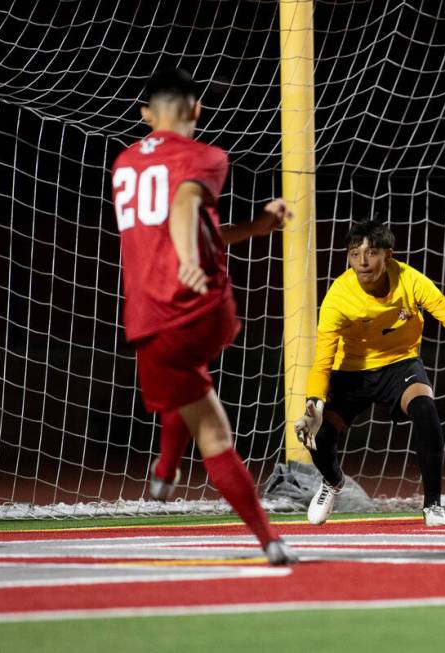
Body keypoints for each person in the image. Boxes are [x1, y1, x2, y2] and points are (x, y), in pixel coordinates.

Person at [111, 67, 297, 564]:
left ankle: (260, 534)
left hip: (150, 319)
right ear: (196, 109)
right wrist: (211, 252)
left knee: (207, 421)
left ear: (146, 114)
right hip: (206, 311)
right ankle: (169, 473)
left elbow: (184, 209)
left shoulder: (124, 163)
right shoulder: (206, 155)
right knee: (191, 384)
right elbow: (188, 203)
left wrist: (193, 255)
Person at [293, 219, 445, 526]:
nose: (362, 261)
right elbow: (322, 362)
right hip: (352, 371)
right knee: (319, 435)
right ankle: (332, 481)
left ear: (388, 255)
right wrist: (314, 402)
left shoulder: (411, 280)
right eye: (354, 254)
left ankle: (433, 505)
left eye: (371, 253)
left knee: (425, 411)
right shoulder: (338, 297)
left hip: (400, 364)